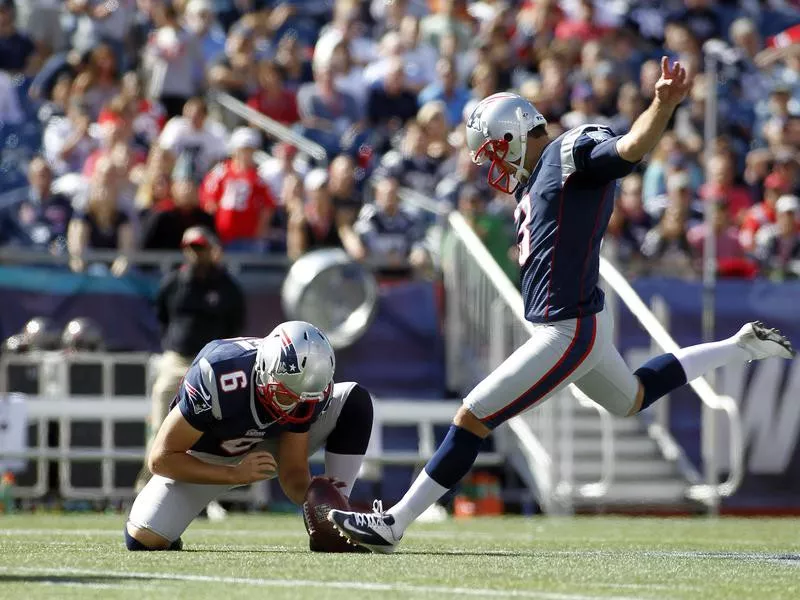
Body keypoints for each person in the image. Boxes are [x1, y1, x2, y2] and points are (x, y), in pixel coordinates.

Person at [328, 59, 796, 553]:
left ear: (509, 136)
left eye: (492, 153)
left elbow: (629, 150)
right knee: (632, 397)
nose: (492, 167)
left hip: (568, 328)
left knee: (473, 416)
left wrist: (662, 103)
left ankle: (394, 524)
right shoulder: (538, 178)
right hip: (578, 321)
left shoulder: (569, 150)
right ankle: (738, 344)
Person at [125, 320, 374, 551]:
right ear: (265, 374)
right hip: (206, 456)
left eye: (305, 400)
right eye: (287, 396)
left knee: (354, 401)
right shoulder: (220, 373)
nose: (294, 406)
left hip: (268, 444)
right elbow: (161, 458)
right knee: (144, 537)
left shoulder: (304, 393)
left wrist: (321, 503)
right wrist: (234, 474)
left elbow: (292, 473)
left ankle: (338, 522)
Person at [134, 226, 245, 492]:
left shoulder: (227, 287)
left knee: (213, 429)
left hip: (212, 365)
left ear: (212, 250)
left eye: (200, 248)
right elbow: (162, 317)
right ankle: (145, 488)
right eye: (190, 248)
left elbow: (235, 325)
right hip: (178, 358)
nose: (195, 254)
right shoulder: (173, 283)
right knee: (161, 415)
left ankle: (211, 493)